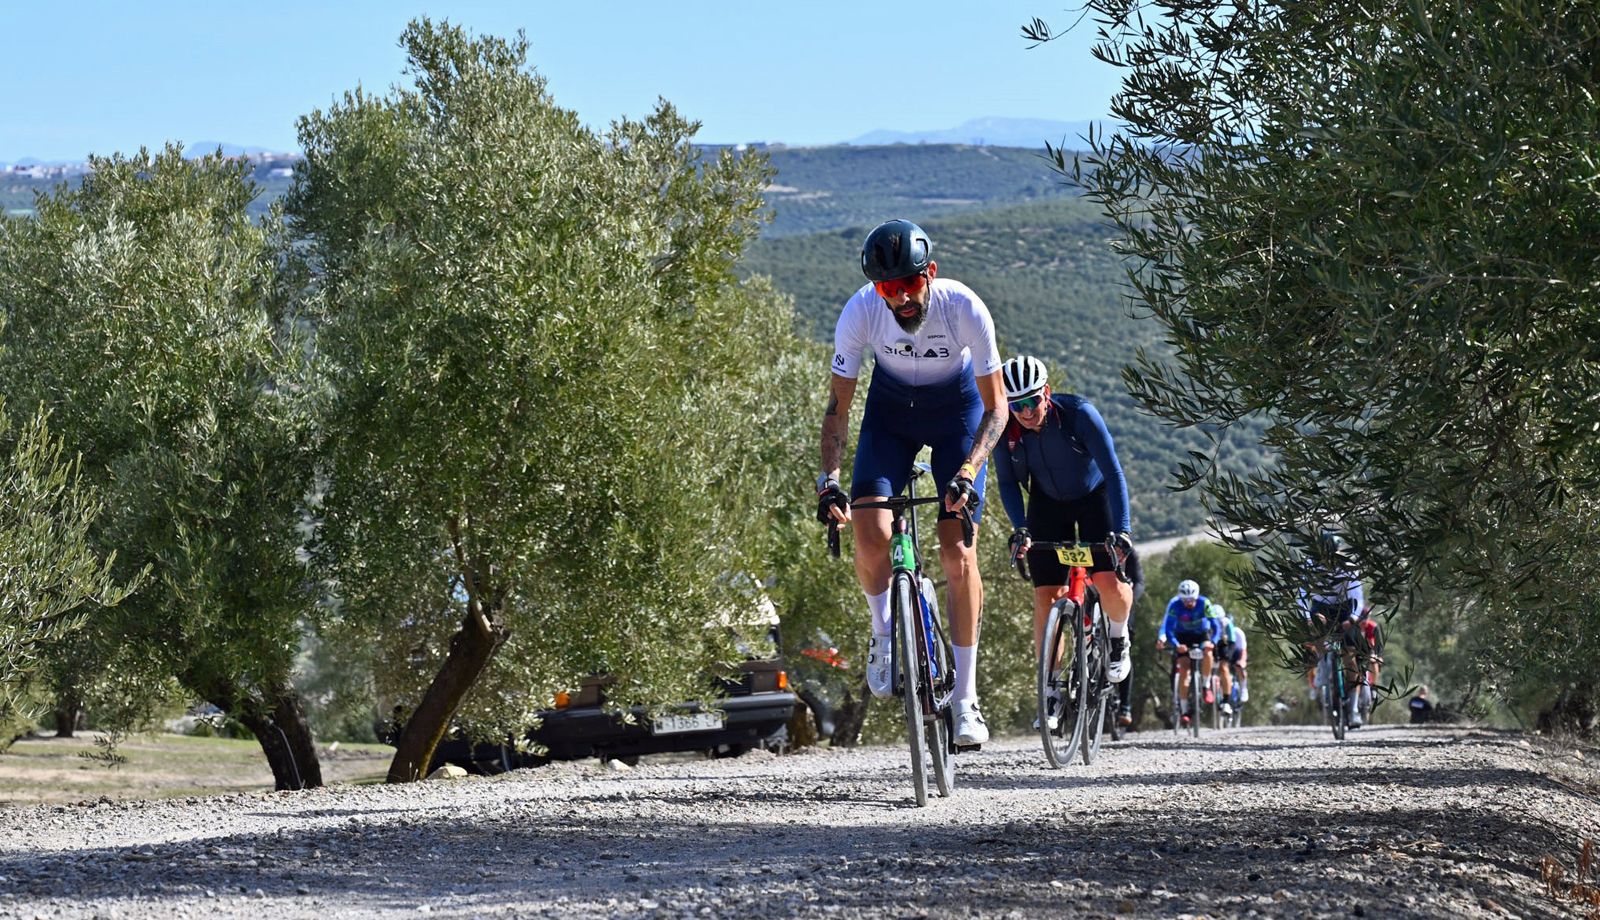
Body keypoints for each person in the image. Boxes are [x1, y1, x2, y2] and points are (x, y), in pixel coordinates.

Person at [816, 219, 1008, 747]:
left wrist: (968, 471)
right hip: (891, 414)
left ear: (931, 274)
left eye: (909, 284)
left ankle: (966, 700)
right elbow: (838, 409)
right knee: (870, 530)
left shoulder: (964, 307)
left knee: (956, 551)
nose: (900, 298)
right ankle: (884, 630)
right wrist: (828, 480)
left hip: (958, 416)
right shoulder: (860, 312)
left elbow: (997, 408)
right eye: (888, 289)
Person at [993, 355, 1135, 727]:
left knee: (1108, 583)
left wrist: (1122, 529)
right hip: (1046, 504)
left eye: (1032, 401)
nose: (1025, 412)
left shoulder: (1079, 415)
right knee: (1046, 597)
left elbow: (1114, 471)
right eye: (1016, 404)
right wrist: (1020, 527)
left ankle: (1118, 637)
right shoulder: (1004, 428)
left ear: (1047, 393)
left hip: (1094, 497)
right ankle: (1051, 688)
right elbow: (1008, 483)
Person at [1298, 532, 1368, 727]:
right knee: (1316, 628)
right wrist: (1307, 618)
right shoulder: (1310, 566)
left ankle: (1353, 709)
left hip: (1346, 607)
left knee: (1350, 658)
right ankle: (1322, 663)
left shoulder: (1348, 566)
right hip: (1321, 606)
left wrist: (1353, 618)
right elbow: (1302, 595)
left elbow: (1357, 596)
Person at [1157, 579, 1221, 726]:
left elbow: (1216, 626)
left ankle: (1205, 686)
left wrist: (1213, 642)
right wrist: (1176, 645)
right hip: (1182, 637)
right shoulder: (1175, 606)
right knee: (1184, 670)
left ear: (1196, 597)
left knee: (1208, 653)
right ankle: (1185, 711)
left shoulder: (1204, 603)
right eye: (1185, 600)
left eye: (1191, 600)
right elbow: (1168, 629)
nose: (1188, 603)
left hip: (1201, 634)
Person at [1114, 545, 1147, 727]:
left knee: (1123, 653)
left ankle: (1125, 705)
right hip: (1097, 603)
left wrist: (1131, 600)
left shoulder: (1130, 552)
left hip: (1124, 606)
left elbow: (1140, 582)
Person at [1213, 607, 1248, 717]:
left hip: (1235, 653)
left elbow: (1243, 651)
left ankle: (1243, 689)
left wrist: (1241, 662)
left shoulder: (1238, 633)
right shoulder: (1212, 627)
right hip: (1221, 650)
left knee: (1239, 666)